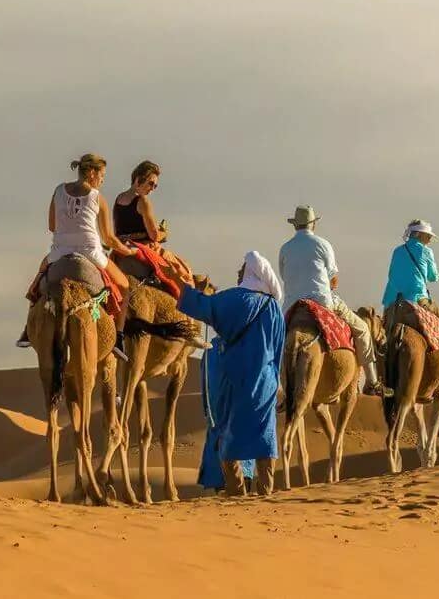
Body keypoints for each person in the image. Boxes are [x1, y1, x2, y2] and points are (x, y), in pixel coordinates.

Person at [163, 251, 284, 497]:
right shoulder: (273, 307)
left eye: (243, 268)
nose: (239, 271)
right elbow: (278, 349)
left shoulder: (229, 299)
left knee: (229, 433)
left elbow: (201, 305)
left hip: (232, 379)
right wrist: (276, 381)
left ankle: (235, 489)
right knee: (265, 436)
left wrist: (179, 282)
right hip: (264, 382)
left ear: (250, 272)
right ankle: (265, 491)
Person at [16, 154, 134, 357]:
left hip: (60, 251)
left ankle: (28, 329)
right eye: (102, 175)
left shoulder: (58, 191)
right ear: (91, 173)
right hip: (90, 252)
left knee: (39, 279)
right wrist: (129, 251)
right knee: (124, 286)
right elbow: (109, 238)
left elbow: (52, 226)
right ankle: (119, 338)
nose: (103, 180)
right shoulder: (98, 197)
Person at [278, 205, 384, 397]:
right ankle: (372, 381)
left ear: (295, 225)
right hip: (322, 301)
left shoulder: (285, 248)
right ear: (313, 225)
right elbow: (333, 279)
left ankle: (281, 389)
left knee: (274, 341)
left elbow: (285, 277)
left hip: (291, 306)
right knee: (362, 329)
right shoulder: (323, 244)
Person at [381, 219, 439, 376]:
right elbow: (433, 277)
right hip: (416, 298)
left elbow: (391, 273)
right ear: (419, 235)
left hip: (392, 301)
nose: (429, 240)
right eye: (427, 236)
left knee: (383, 333)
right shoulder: (426, 252)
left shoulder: (397, 251)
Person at [112, 160, 192, 281]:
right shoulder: (143, 201)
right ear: (138, 179)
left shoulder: (119, 198)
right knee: (183, 273)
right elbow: (154, 236)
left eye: (155, 186)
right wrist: (163, 233)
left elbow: (115, 231)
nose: (153, 189)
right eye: (151, 183)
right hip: (143, 249)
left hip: (120, 250)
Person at [198, 335, 255, 494]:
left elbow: (205, 384)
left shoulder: (209, 350)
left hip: (219, 419)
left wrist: (207, 412)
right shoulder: (246, 345)